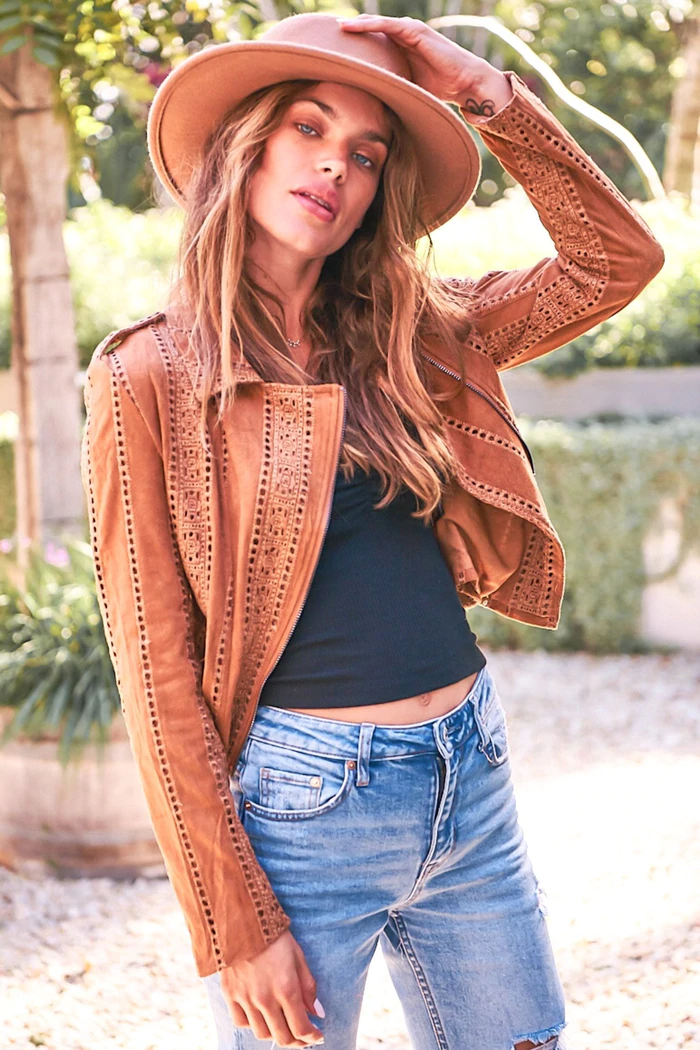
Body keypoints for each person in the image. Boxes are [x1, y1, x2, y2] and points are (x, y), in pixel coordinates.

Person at [80, 12, 664, 1050]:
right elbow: (156, 668)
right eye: (307, 130)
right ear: (244, 151)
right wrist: (235, 924)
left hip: (468, 776)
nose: (334, 168)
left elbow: (612, 261)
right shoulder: (149, 375)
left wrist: (491, 99)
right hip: (302, 816)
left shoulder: (420, 331)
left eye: (365, 152)